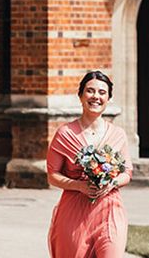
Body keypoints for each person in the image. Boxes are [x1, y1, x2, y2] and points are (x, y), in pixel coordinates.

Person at [46, 70, 131, 258]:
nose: (96, 97)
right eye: (90, 91)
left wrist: (112, 183)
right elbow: (52, 175)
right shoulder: (65, 133)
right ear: (81, 95)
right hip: (75, 209)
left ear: (109, 98)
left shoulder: (118, 134)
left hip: (109, 208)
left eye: (102, 92)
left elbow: (127, 173)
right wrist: (79, 186)